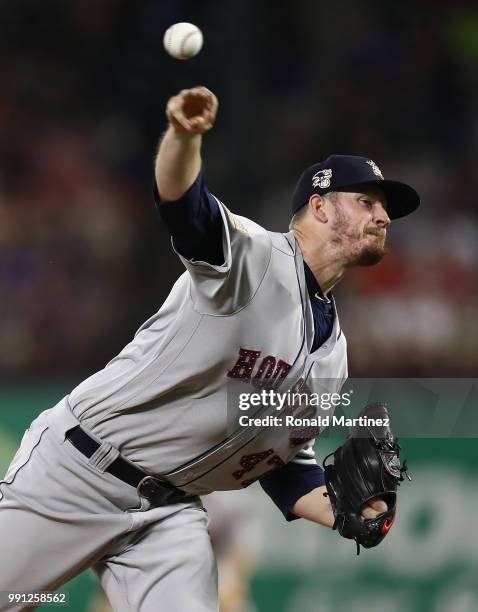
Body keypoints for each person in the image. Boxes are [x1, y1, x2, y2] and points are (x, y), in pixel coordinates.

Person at [0, 86, 420, 612]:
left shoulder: (332, 358)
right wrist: (183, 136)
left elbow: (284, 466)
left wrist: (348, 512)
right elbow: (182, 204)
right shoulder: (251, 257)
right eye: (367, 202)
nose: (383, 217)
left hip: (168, 514)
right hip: (78, 474)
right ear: (319, 206)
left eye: (384, 209)